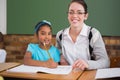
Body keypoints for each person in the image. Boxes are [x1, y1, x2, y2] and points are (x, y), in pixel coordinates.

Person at [56, 0, 110, 70]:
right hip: (68, 76)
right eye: (71, 12)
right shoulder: (60, 35)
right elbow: (57, 53)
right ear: (68, 15)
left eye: (79, 13)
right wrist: (60, 57)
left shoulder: (93, 34)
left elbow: (105, 62)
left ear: (85, 16)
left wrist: (87, 63)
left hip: (88, 76)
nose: (74, 16)